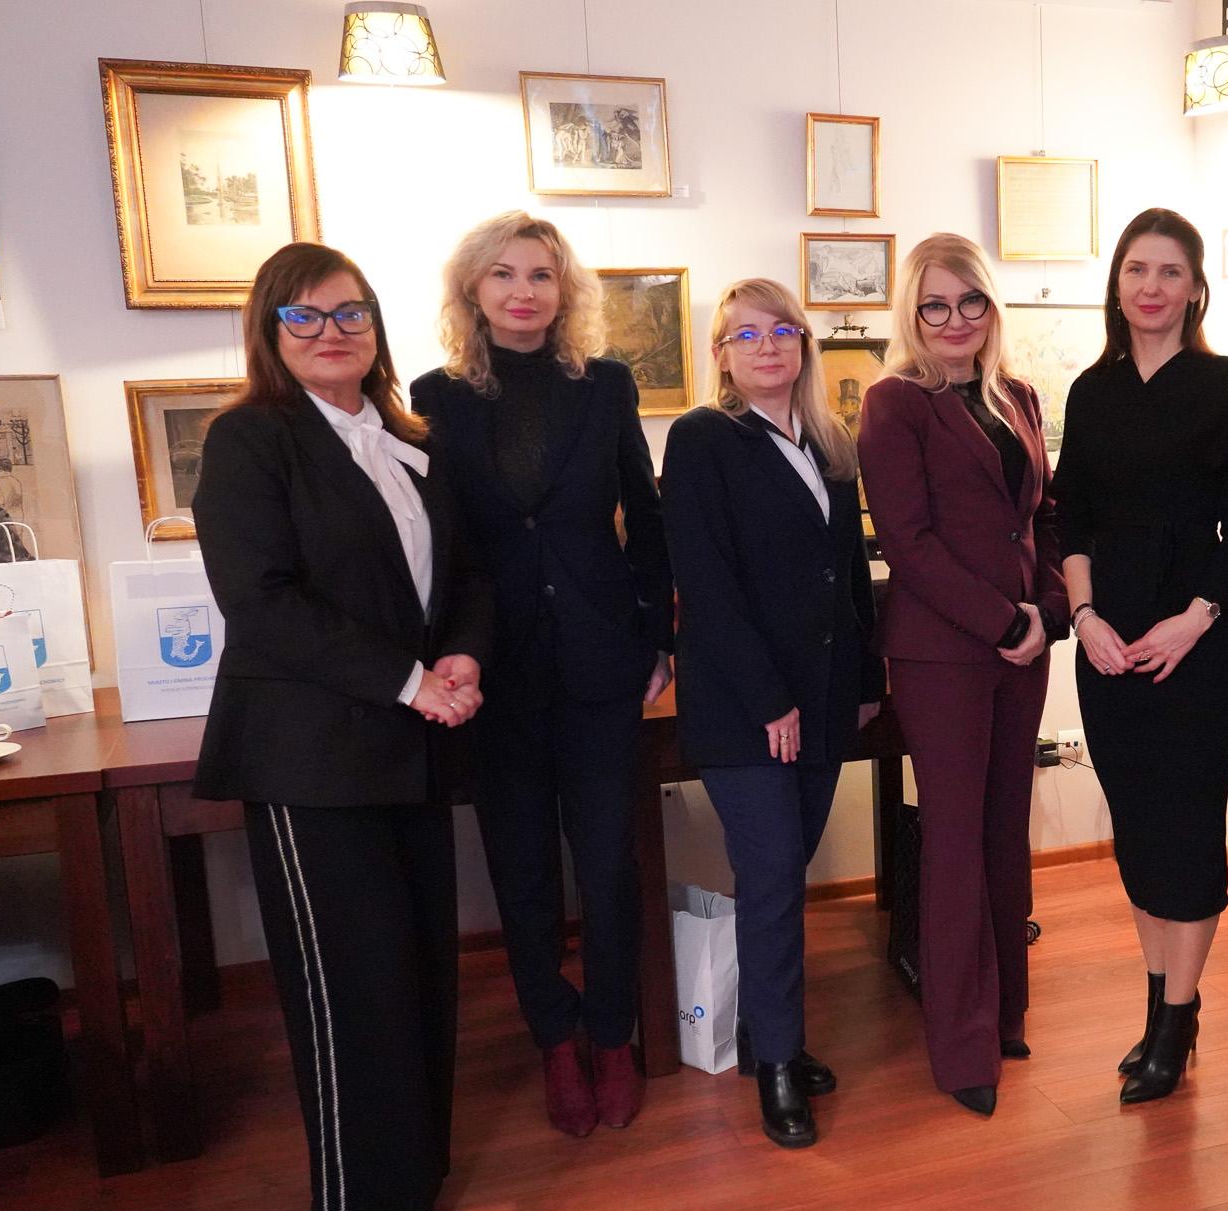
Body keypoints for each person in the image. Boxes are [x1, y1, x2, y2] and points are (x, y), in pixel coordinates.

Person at [193, 242, 493, 1211]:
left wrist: (463, 653)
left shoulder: (409, 440)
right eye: (307, 316)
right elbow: (260, 604)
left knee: (419, 969)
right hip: (310, 757)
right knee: (349, 985)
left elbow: (466, 575)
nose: (333, 332)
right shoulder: (250, 440)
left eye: (351, 312)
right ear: (270, 331)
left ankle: (421, 1168)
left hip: (411, 746)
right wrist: (411, 681)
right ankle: (377, 1192)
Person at [411, 212, 673, 1140]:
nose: (523, 291)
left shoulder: (605, 385)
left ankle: (612, 1034)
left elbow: (645, 516)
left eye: (541, 275)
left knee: (607, 865)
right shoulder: (434, 396)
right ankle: (554, 1039)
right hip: (496, 670)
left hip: (602, 660)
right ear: (473, 290)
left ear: (565, 293)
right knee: (521, 870)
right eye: (503, 274)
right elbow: (440, 542)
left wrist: (657, 635)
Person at [1053, 208, 1228, 1103]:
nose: (1152, 286)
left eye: (1170, 271)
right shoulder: (1090, 391)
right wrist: (1085, 617)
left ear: (1195, 287)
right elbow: (1069, 518)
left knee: (1186, 835)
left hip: (1198, 652)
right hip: (1109, 653)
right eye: (1137, 270)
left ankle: (1176, 1023)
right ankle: (1159, 1013)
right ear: (1117, 285)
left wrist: (1197, 617)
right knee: (1139, 835)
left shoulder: (1226, 383)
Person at [660, 278, 881, 1148]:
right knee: (775, 875)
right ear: (720, 355)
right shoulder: (702, 439)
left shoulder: (829, 441)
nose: (767, 346)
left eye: (782, 330)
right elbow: (706, 586)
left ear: (804, 345)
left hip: (824, 700)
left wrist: (866, 677)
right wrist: (769, 701)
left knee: (786, 871)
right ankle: (781, 1066)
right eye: (745, 335)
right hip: (747, 707)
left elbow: (850, 573)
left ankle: (764, 1033)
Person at [857, 233, 1066, 1116]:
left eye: (970, 300)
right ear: (913, 313)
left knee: (1005, 827)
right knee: (951, 838)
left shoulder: (1018, 395)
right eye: (934, 305)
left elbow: (1042, 517)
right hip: (942, 651)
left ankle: (1007, 1010)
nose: (954, 319)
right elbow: (907, 543)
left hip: (1023, 648)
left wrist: (1047, 611)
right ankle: (960, 1043)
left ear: (990, 306)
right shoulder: (894, 403)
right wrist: (1003, 619)